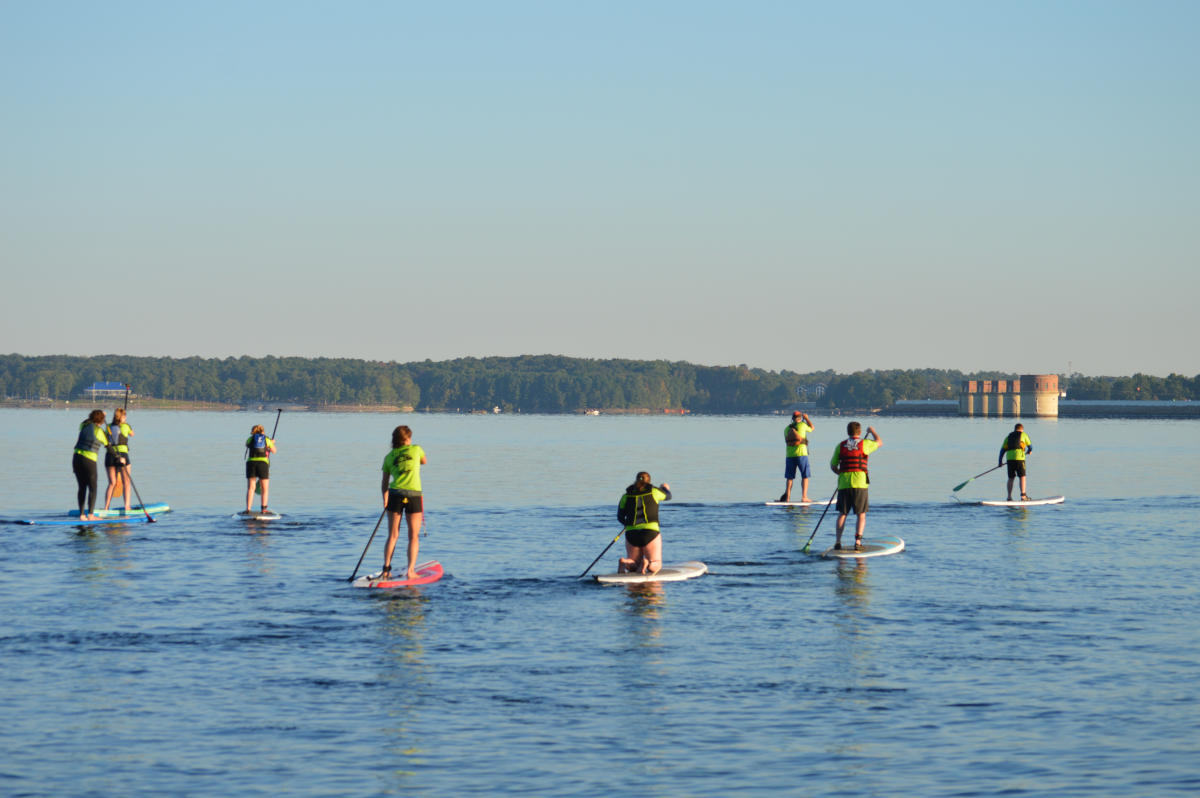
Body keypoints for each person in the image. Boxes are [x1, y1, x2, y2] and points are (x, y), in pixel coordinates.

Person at [380, 425, 427, 580]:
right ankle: (410, 571)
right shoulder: (416, 449)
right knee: (413, 536)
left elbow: (384, 483)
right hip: (413, 495)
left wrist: (385, 499)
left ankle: (386, 569)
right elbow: (424, 461)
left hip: (394, 495)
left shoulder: (388, 457)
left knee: (392, 535)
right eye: (410, 438)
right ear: (406, 439)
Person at [829, 422, 882, 551]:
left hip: (844, 483)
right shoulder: (865, 444)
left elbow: (833, 465)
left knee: (843, 513)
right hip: (860, 483)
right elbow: (879, 442)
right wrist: (873, 431)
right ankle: (857, 542)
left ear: (848, 432)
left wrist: (840, 473)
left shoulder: (840, 446)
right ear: (859, 432)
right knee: (861, 514)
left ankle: (838, 541)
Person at [616, 472, 672, 574]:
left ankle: (624, 562)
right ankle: (648, 563)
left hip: (631, 533)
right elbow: (668, 496)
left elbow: (620, 517)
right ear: (649, 481)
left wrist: (627, 524)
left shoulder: (626, 496)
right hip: (650, 532)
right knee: (656, 563)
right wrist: (665, 488)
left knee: (633, 564)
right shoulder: (654, 492)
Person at [72, 409, 113, 520]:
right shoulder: (100, 432)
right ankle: (90, 515)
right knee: (93, 487)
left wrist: (100, 416)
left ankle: (82, 515)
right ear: (101, 421)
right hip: (89, 461)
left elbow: (88, 421)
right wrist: (119, 459)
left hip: (76, 459)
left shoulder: (83, 425)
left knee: (82, 487)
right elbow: (109, 449)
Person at [102, 407, 134, 513]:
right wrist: (125, 423)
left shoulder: (109, 427)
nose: (126, 417)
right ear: (122, 417)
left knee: (112, 483)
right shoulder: (126, 426)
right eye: (125, 416)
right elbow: (132, 434)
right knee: (126, 482)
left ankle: (106, 507)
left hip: (110, 456)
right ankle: (127, 507)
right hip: (122, 455)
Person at [780, 410, 815, 502]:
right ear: (800, 418)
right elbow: (812, 428)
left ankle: (787, 498)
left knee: (789, 478)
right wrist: (807, 418)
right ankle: (804, 497)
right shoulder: (803, 425)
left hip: (789, 455)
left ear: (792, 419)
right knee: (805, 476)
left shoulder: (786, 429)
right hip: (801, 454)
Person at [243, 424, 277, 515]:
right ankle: (264, 509)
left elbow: (247, 445)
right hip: (263, 464)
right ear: (263, 431)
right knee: (264, 488)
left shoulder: (250, 439)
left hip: (251, 463)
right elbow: (274, 451)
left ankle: (248, 509)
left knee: (251, 488)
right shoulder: (266, 439)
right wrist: (271, 444)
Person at [999, 423, 1033, 501]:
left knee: (1011, 478)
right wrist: (1029, 451)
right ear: (1022, 429)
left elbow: (1002, 451)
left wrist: (1000, 462)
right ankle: (1023, 496)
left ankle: (1009, 497)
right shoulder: (1024, 435)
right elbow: (1031, 447)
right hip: (1020, 459)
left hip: (1010, 459)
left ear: (1014, 429)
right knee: (1022, 477)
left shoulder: (1008, 437)